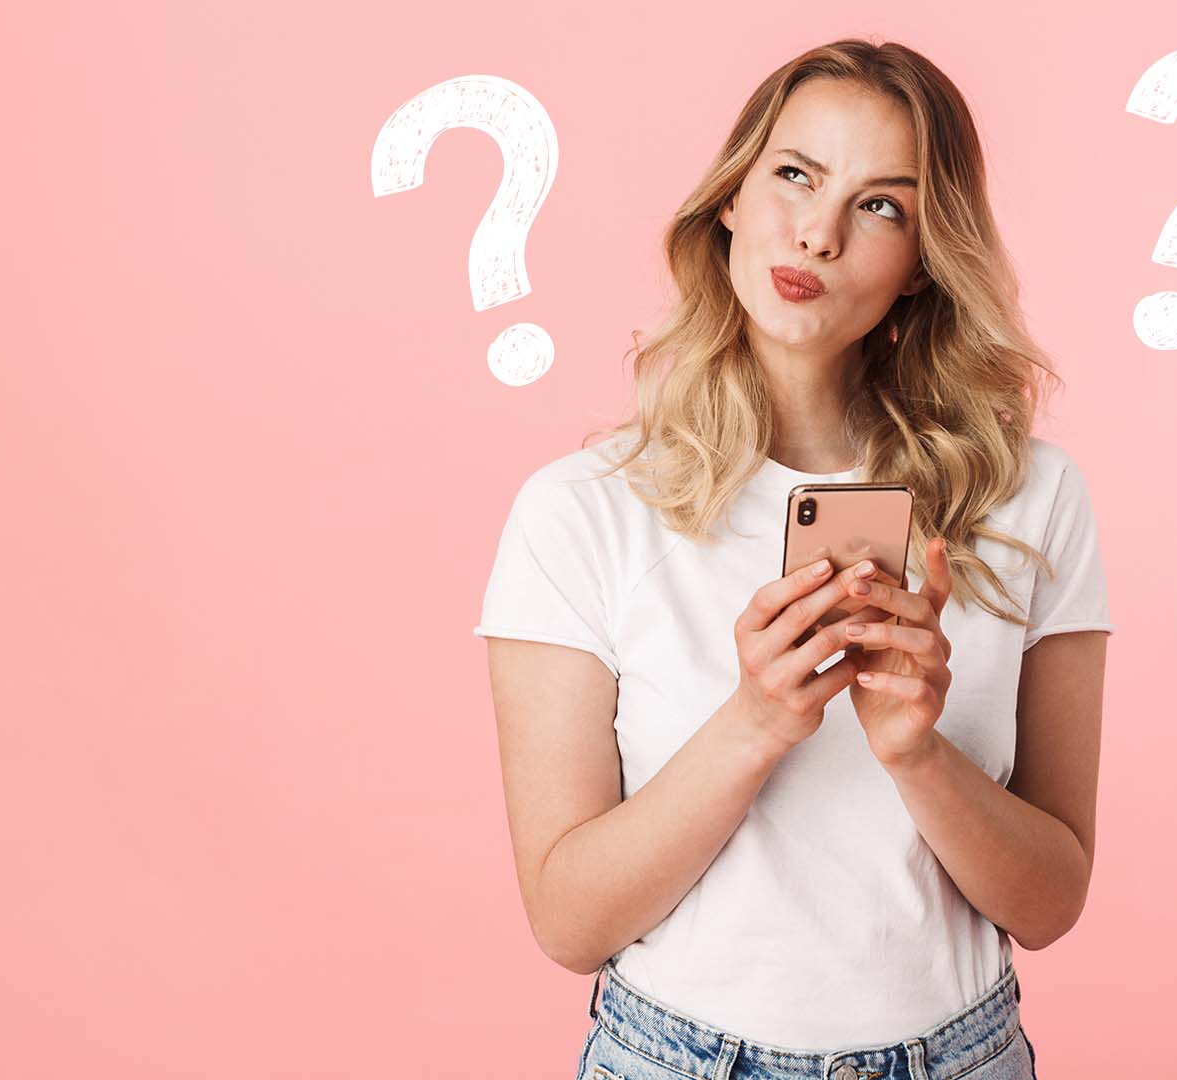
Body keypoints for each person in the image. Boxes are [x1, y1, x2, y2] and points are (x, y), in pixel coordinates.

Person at [475, 37, 1113, 1080]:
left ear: (920, 265)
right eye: (794, 175)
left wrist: (917, 753)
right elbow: (567, 921)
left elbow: (1049, 904)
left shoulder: (1032, 499)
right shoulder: (581, 515)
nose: (815, 233)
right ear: (730, 198)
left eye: (881, 206)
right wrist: (757, 723)